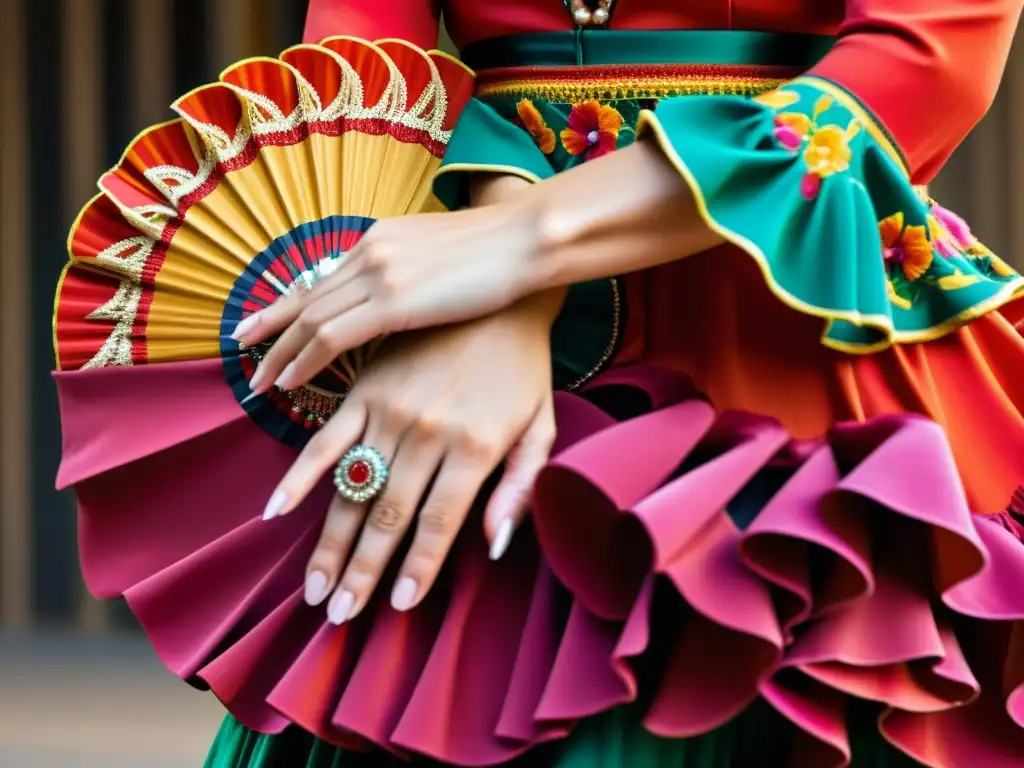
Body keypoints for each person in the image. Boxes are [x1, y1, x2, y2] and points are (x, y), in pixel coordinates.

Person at [205, 0, 1024, 766]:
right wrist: (494, 280)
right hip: (454, 305)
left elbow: (926, 57)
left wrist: (520, 246)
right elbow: (360, 73)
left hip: (783, 340)